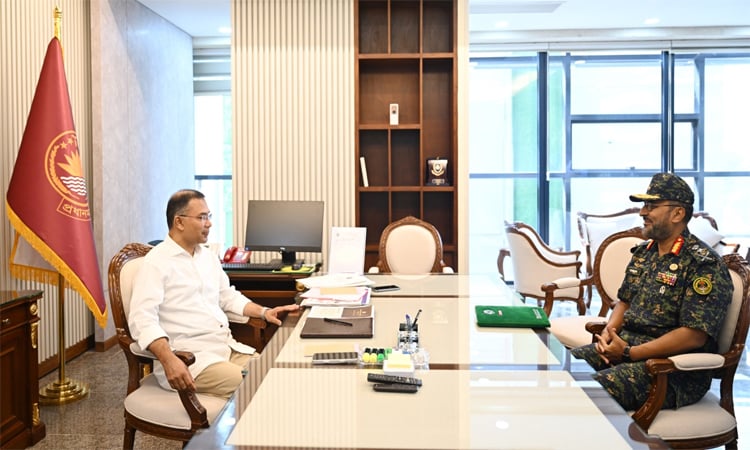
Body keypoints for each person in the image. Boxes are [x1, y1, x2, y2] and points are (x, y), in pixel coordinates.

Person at [571, 172, 733, 411]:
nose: (642, 212)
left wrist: (629, 353)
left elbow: (694, 335)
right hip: (626, 349)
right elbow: (624, 301)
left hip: (671, 370)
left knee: (582, 395)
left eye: (652, 206)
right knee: (561, 374)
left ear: (677, 214)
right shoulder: (644, 253)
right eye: (644, 205)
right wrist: (609, 333)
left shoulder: (703, 265)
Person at [129, 189, 299, 398]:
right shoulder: (156, 263)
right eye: (202, 217)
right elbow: (142, 319)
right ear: (179, 222)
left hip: (225, 349)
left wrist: (264, 312)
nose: (209, 223)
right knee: (265, 386)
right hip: (191, 360)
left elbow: (227, 296)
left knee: (283, 376)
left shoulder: (207, 257)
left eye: (209, 216)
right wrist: (169, 359)